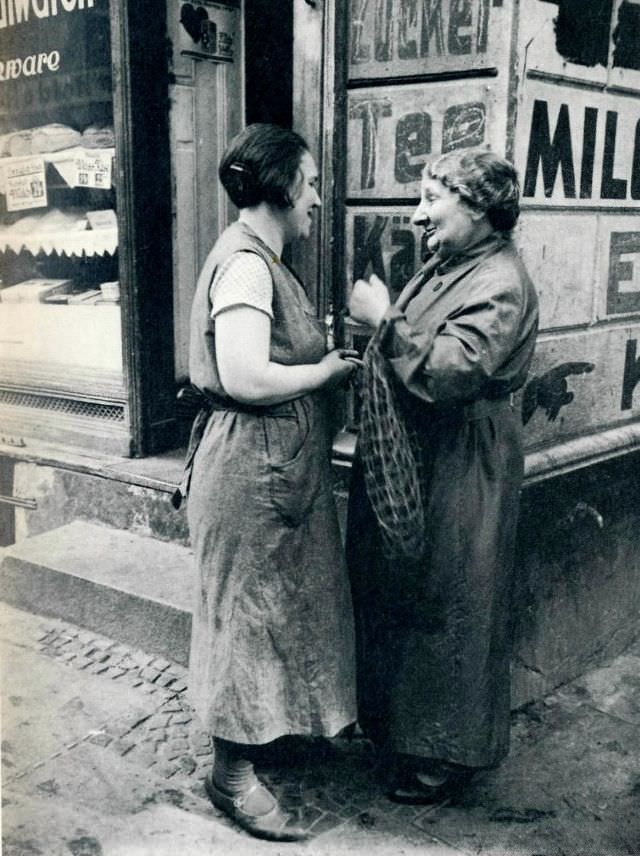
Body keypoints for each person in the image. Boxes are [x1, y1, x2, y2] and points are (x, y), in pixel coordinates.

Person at [180, 124, 359, 841]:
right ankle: (230, 777)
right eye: (310, 183)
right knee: (246, 621)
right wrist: (323, 372)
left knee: (272, 612)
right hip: (249, 468)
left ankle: (264, 738)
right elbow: (246, 374)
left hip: (272, 467)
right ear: (283, 188)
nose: (317, 197)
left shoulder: (264, 260)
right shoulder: (248, 266)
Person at [346, 148, 539, 804]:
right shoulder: (450, 263)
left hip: (467, 458)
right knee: (412, 591)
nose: (417, 212)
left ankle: (442, 756)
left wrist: (384, 322)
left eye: (433, 199)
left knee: (455, 601)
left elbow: (454, 374)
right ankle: (404, 730)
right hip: (426, 451)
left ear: (482, 211)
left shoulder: (501, 280)